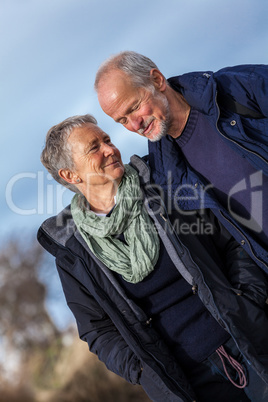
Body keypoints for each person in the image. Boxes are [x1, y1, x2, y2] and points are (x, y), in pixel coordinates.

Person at [38, 114, 268, 402]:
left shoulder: (164, 183)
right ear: (70, 176)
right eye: (94, 147)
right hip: (189, 383)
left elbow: (232, 240)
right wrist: (142, 369)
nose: (109, 149)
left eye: (106, 140)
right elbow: (97, 330)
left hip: (249, 338)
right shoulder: (74, 251)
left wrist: (250, 298)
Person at [94, 51, 268, 274]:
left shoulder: (237, 89)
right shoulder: (165, 174)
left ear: (157, 80)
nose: (135, 124)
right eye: (122, 120)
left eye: (134, 107)